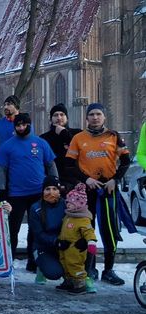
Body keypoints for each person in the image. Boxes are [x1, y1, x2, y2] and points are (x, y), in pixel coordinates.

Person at [65, 102, 130, 285]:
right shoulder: (78, 138)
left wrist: (115, 180)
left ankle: (109, 270)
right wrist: (86, 179)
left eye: (98, 114)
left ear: (104, 117)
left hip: (108, 189)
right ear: (86, 117)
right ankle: (89, 268)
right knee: (87, 229)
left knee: (110, 230)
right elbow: (68, 165)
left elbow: (125, 161)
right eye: (92, 114)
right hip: (87, 191)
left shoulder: (114, 136)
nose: (95, 117)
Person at [0, 113, 57, 271]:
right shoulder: (7, 146)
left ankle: (33, 260)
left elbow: (50, 165)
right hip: (16, 194)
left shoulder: (41, 143)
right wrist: (2, 191)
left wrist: (55, 183)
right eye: (18, 125)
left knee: (35, 228)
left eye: (24, 124)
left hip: (38, 193)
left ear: (30, 124)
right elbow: (2, 170)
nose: (21, 127)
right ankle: (8, 260)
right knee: (12, 229)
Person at [57, 183, 97, 295]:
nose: (67, 205)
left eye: (71, 203)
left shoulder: (83, 219)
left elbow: (89, 231)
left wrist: (91, 242)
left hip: (75, 249)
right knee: (65, 264)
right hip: (65, 247)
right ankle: (69, 281)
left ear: (78, 204)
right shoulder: (68, 216)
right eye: (67, 202)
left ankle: (80, 283)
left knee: (75, 265)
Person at [28, 176, 67, 285]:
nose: (51, 192)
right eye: (47, 189)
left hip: (64, 244)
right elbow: (38, 234)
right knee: (54, 273)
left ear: (59, 191)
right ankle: (41, 268)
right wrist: (55, 241)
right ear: (43, 191)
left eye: (54, 189)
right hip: (43, 247)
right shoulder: (36, 208)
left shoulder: (67, 204)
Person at [39, 104, 81, 192]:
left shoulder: (77, 134)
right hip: (52, 183)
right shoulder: (43, 138)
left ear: (67, 118)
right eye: (55, 115)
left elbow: (80, 150)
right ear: (51, 119)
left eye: (62, 114)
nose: (59, 118)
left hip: (75, 181)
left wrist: (64, 133)